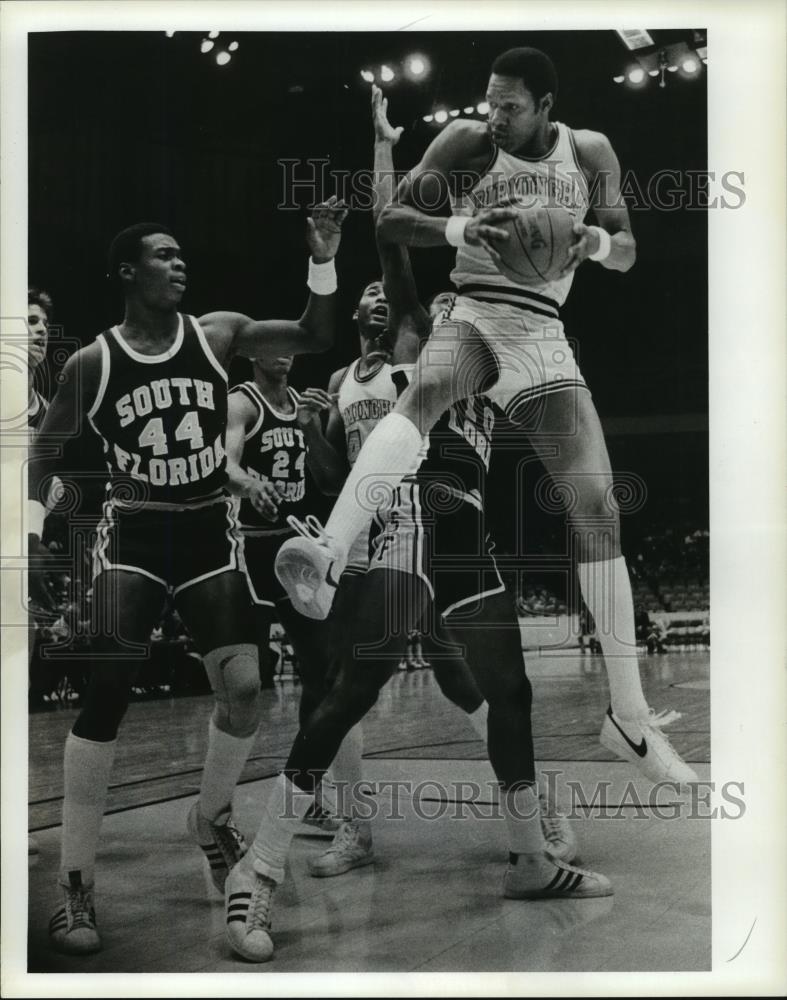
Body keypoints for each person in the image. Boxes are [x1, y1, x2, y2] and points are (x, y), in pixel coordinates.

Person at [222, 86, 605, 965]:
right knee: (356, 686)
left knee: (505, 692)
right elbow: (395, 239)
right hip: (408, 514)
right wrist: (386, 151)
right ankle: (261, 868)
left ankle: (528, 858)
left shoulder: (495, 333)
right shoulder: (409, 343)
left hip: (464, 525)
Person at [275, 47, 696, 790]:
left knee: (596, 506)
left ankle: (627, 720)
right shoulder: (467, 143)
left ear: (545, 106)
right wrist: (460, 232)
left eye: (510, 106)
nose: (494, 115)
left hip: (542, 334)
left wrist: (587, 242)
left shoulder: (588, 150)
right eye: (490, 102)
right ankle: (328, 554)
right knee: (427, 389)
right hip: (474, 314)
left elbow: (626, 249)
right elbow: (392, 219)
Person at [28, 200, 347, 955]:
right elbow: (44, 451)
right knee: (106, 688)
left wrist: (324, 257)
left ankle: (209, 818)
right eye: (164, 255)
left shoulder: (218, 334)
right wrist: (36, 530)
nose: (180, 264)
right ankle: (76, 884)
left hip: (208, 531)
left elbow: (313, 333)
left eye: (181, 255)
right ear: (127, 271)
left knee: (242, 688)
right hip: (135, 530)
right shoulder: (93, 362)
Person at [224, 349, 342, 832]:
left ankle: (307, 790)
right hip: (246, 551)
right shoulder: (242, 402)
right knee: (242, 686)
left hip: (294, 549)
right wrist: (250, 485)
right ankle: (219, 803)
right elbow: (222, 463)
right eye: (272, 343)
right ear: (252, 352)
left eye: (291, 344)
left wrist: (315, 426)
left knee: (324, 673)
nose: (284, 353)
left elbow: (329, 480)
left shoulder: (303, 403)